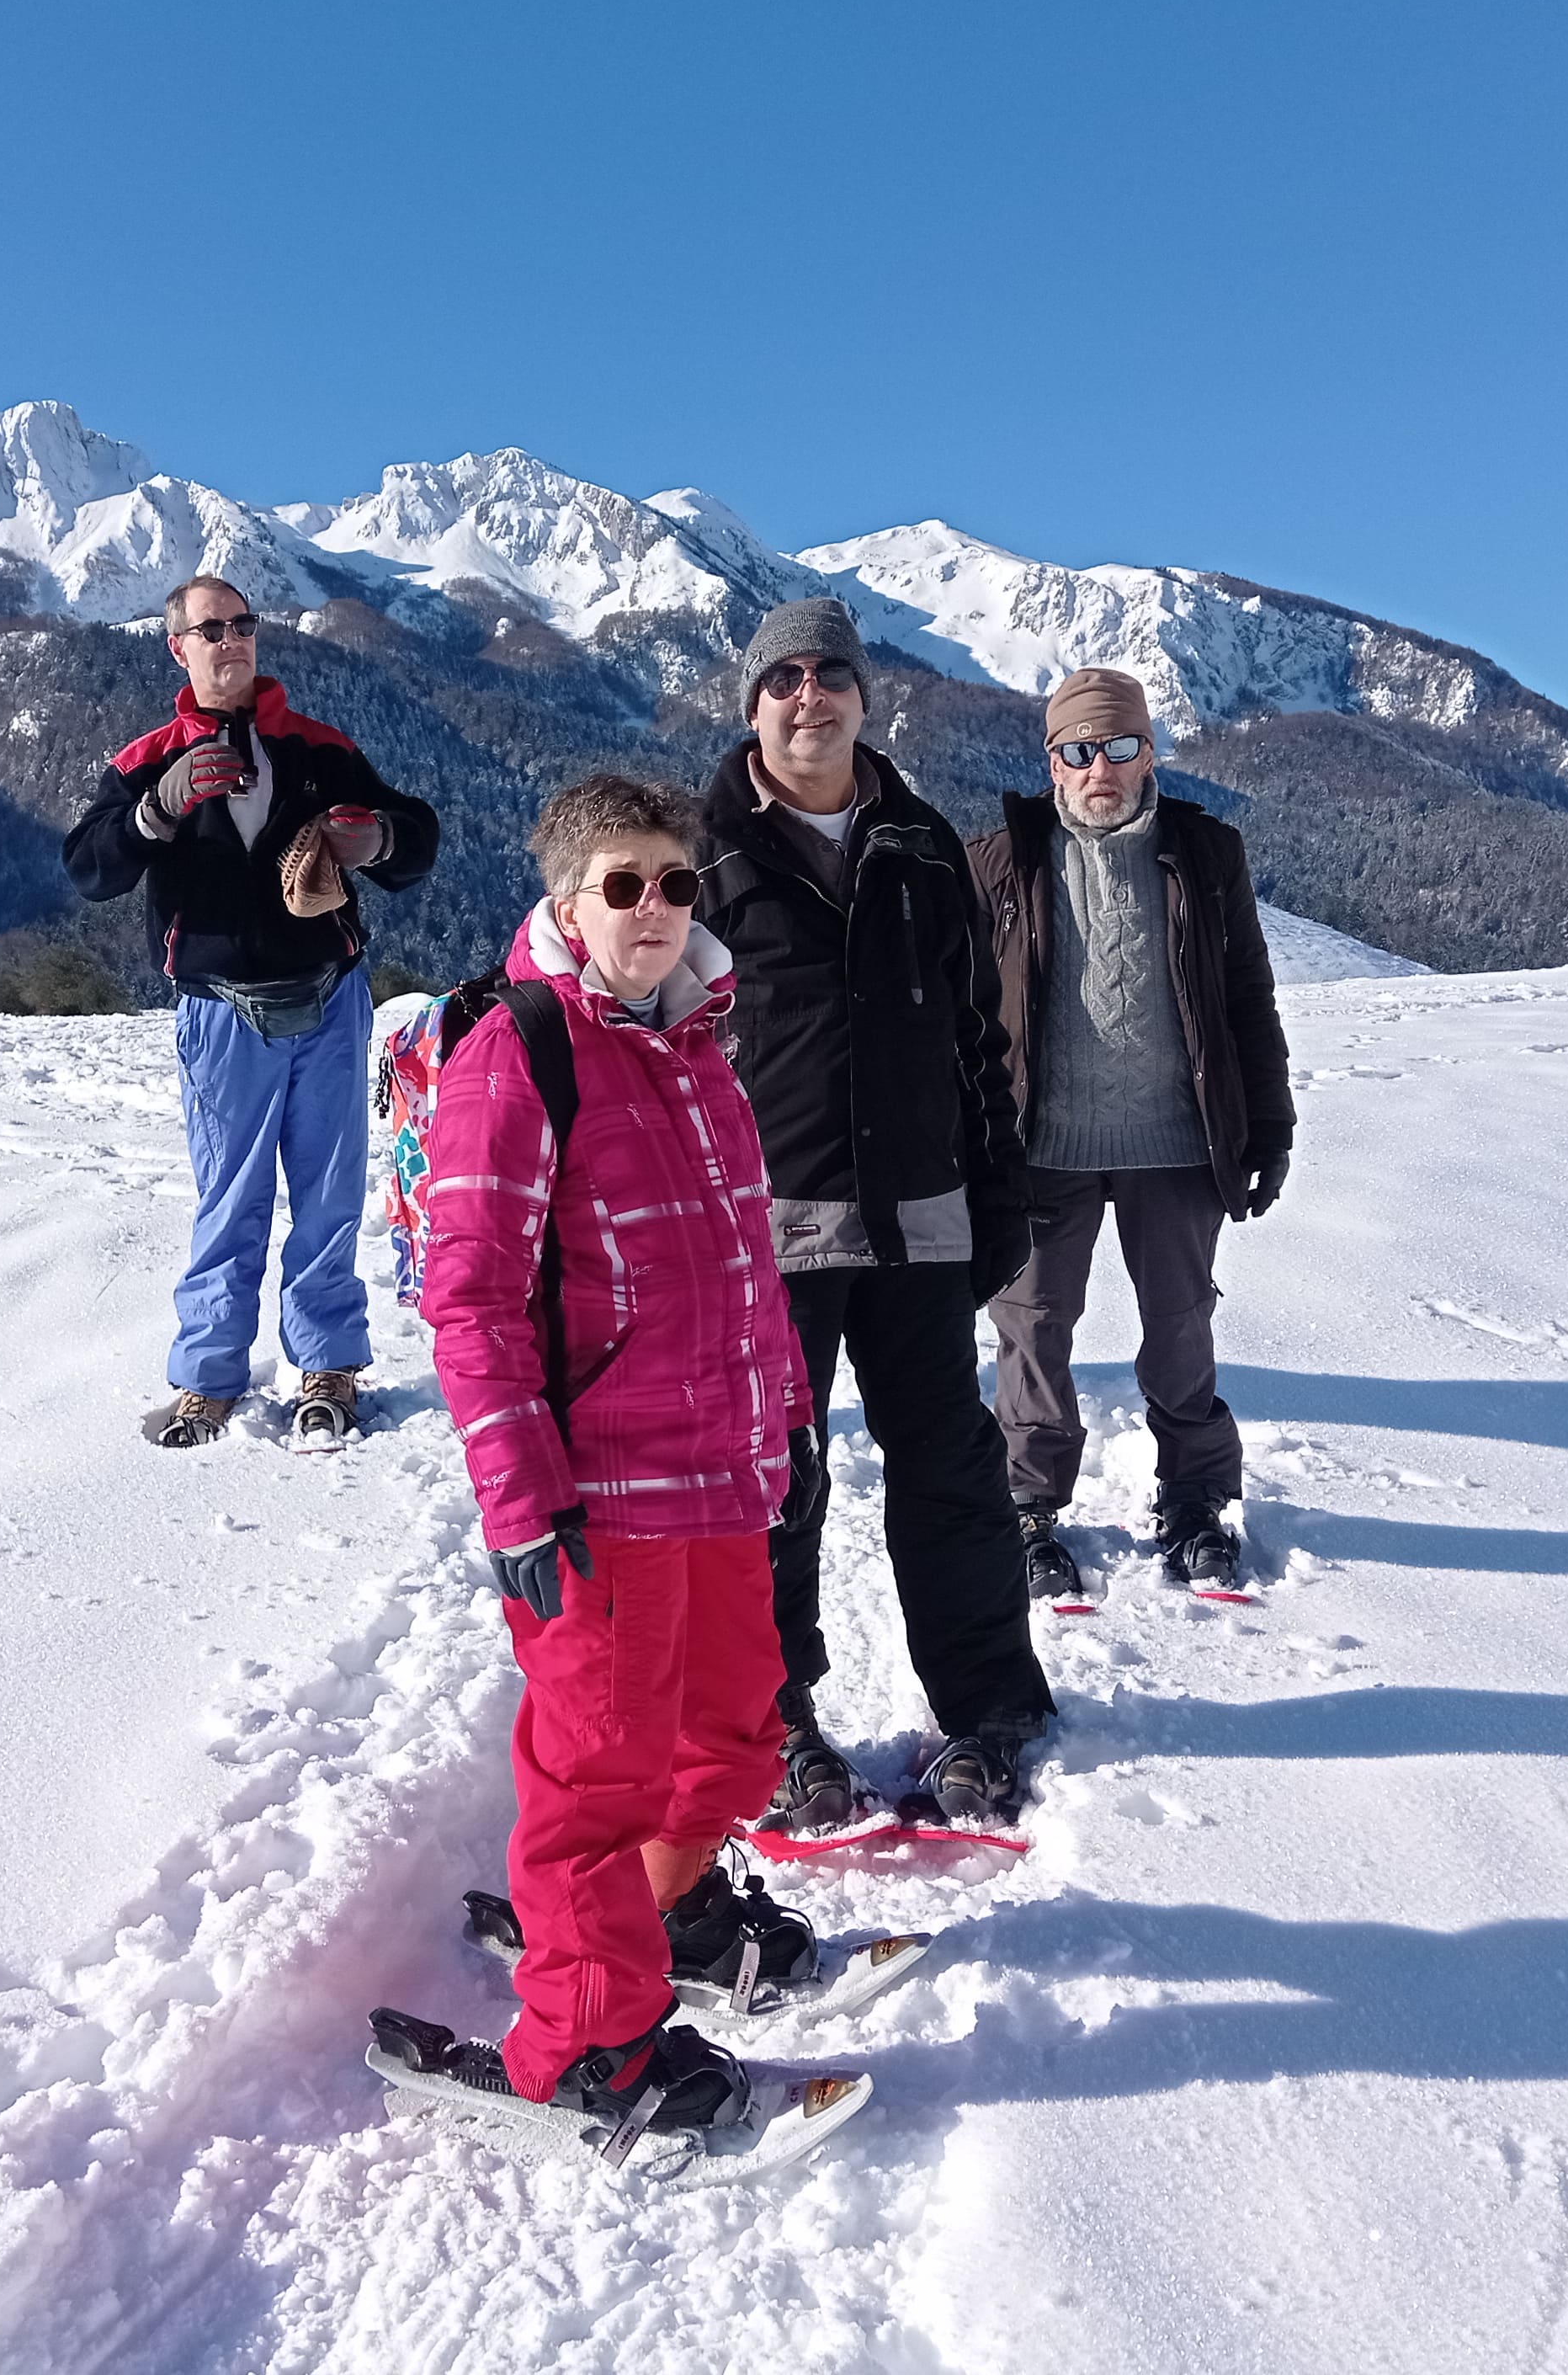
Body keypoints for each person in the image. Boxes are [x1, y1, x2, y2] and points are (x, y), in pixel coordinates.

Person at [418, 773, 814, 2132]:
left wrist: (783, 1421)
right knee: (597, 1780)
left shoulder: (698, 1046)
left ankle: (666, 1918)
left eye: (677, 882)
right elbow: (466, 1293)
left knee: (739, 1733)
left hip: (717, 1469)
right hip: (596, 1499)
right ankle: (593, 2046)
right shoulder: (518, 1052)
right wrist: (521, 1503)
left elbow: (741, 1266)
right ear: (568, 900)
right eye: (624, 884)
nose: (655, 909)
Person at [693, 596, 1055, 1830]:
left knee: (951, 1473)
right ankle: (775, 1726)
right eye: (783, 677)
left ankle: (989, 1708)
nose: (810, 696)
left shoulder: (919, 839)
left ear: (864, 693)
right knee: (774, 1488)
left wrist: (998, 1195)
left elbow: (975, 1036)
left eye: (830, 674)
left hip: (924, 1220)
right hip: (765, 1231)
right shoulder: (700, 851)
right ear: (752, 704)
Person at [63, 574, 440, 1449]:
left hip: (330, 995)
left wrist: (375, 839)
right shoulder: (146, 759)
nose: (231, 640)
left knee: (329, 1194)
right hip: (220, 1010)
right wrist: (158, 808)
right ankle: (208, 1377)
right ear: (179, 648)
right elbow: (88, 867)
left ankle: (327, 1366)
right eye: (211, 629)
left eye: (243, 625)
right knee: (228, 1198)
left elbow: (415, 837)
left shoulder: (316, 748)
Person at [966, 667, 1295, 1590]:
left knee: (1180, 1325)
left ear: (1149, 752)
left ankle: (1193, 1499)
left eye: (1117, 746)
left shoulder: (1204, 851)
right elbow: (962, 1012)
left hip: (1176, 1143)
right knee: (1031, 1328)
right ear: (1052, 762)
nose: (1098, 767)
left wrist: (1266, 1127)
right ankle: (1027, 1507)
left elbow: (1245, 1000)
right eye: (1078, 751)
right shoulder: (998, 858)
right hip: (1038, 1146)